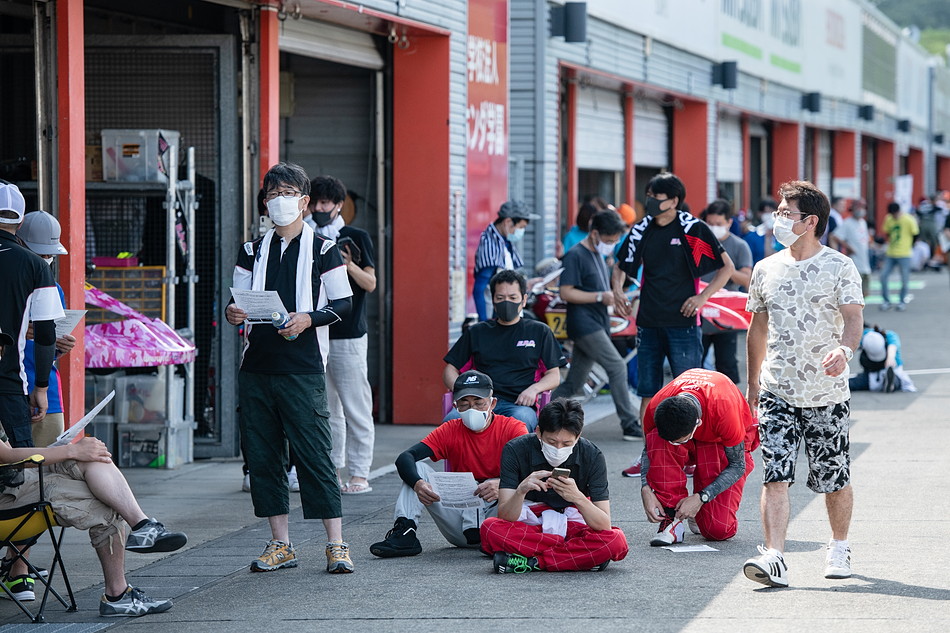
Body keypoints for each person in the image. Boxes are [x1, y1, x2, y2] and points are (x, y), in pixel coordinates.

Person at [0, 326, 187, 615]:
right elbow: (5, 456)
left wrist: (73, 451)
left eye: (0, 347)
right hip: (7, 498)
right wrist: (70, 451)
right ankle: (117, 594)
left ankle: (142, 526)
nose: (0, 353)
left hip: (14, 482)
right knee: (105, 501)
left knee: (92, 456)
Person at [226, 162, 356, 574]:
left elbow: (343, 303)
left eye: (287, 194)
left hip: (303, 367)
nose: (279, 201)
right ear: (264, 202)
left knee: (315, 454)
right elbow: (236, 302)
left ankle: (336, 543)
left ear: (304, 201)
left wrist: (307, 319)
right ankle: (280, 543)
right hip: (257, 367)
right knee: (263, 457)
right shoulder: (251, 250)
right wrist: (232, 312)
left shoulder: (323, 249)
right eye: (273, 194)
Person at [743, 180, 864, 588]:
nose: (777, 219)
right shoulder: (765, 268)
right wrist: (753, 383)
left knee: (834, 478)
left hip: (826, 393)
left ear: (810, 221)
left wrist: (845, 351)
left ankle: (839, 545)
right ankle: (774, 556)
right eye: (778, 212)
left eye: (785, 213)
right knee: (774, 474)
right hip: (777, 389)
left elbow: (853, 319)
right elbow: (757, 329)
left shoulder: (839, 266)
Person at [612, 173, 735, 423]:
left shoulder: (692, 228)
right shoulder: (642, 228)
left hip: (683, 324)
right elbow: (620, 265)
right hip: (648, 322)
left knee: (688, 392)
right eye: (648, 196)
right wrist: (617, 291)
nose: (650, 201)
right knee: (648, 393)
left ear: (673, 200)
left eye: (656, 196)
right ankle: (648, 446)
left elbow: (727, 268)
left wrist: (702, 298)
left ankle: (688, 443)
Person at [369, 371, 528, 557]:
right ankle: (405, 531)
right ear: (455, 406)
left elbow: (533, 470)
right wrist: (418, 484)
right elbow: (405, 458)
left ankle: (512, 540)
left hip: (498, 518)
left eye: (479, 403)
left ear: (492, 403)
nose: (472, 409)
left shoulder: (513, 428)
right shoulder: (450, 429)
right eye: (464, 404)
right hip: (458, 520)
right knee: (418, 468)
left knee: (525, 487)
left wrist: (503, 484)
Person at [480, 398, 629, 573]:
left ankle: (533, 562)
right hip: (531, 522)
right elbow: (505, 516)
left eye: (566, 444)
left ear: (578, 437)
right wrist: (521, 491)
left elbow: (604, 524)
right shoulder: (515, 449)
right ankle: (578, 556)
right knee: (490, 529)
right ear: (538, 432)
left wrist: (577, 497)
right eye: (551, 442)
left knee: (616, 540)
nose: (558, 449)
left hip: (572, 521)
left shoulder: (592, 455)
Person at [307, 175, 378, 495]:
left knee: (356, 406)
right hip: (314, 331)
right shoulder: (304, 236)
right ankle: (333, 471)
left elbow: (371, 283)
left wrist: (346, 265)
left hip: (348, 334)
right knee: (327, 409)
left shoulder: (356, 237)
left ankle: (360, 473)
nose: (319, 209)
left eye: (325, 203)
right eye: (314, 203)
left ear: (338, 205)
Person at [638, 368, 756, 546]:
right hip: (702, 426)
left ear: (698, 423)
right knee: (657, 439)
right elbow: (648, 450)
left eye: (681, 441)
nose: (676, 445)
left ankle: (698, 511)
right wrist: (645, 488)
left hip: (719, 440)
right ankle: (671, 520)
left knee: (718, 529)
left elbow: (738, 465)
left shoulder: (724, 410)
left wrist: (702, 497)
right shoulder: (656, 406)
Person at [552, 210, 643, 440]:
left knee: (574, 383)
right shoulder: (575, 255)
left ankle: (544, 412)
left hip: (597, 323)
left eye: (614, 241)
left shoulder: (597, 255)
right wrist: (600, 297)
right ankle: (630, 424)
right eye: (609, 240)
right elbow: (566, 292)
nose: (610, 245)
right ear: (594, 234)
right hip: (585, 325)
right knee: (617, 366)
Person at [443, 270, 565, 432]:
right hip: (479, 403)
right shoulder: (477, 332)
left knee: (520, 423)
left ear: (523, 300)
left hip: (519, 405)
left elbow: (554, 375)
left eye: (513, 297)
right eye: (500, 298)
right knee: (451, 422)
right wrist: (463, 392)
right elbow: (450, 369)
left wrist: (534, 389)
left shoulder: (539, 332)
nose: (506, 302)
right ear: (493, 300)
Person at [0, 184, 64, 449]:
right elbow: (46, 335)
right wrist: (40, 388)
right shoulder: (36, 266)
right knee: (20, 463)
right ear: (20, 222)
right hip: (9, 385)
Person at [17, 211, 78, 447]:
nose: (45, 260)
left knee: (46, 463)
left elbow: (47, 349)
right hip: (11, 391)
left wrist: (59, 346)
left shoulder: (54, 290)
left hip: (46, 393)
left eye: (49, 255)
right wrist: (19, 330)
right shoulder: (8, 282)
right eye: (39, 254)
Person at [699, 200, 753, 384]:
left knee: (727, 363)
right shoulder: (698, 244)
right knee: (695, 364)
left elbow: (746, 279)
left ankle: (729, 398)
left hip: (726, 314)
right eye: (710, 223)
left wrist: (726, 268)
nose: (714, 228)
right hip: (699, 310)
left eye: (718, 224)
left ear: (729, 222)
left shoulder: (739, 246)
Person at [473, 200, 539, 321]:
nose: (521, 232)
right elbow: (479, 290)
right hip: (496, 317)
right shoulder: (490, 245)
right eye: (521, 227)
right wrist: (484, 323)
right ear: (508, 222)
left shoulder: (505, 242)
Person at [848, 325, 915, 393]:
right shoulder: (865, 337)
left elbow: (893, 346)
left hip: (889, 368)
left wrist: (890, 358)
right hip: (872, 369)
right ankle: (890, 384)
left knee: (897, 379)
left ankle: (891, 383)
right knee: (856, 382)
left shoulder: (890, 336)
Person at [879, 201, 919, 311]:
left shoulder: (909, 219)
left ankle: (902, 301)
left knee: (904, 279)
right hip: (891, 253)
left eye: (895, 214)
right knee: (883, 276)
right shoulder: (889, 219)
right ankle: (886, 300)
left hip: (904, 253)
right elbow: (887, 233)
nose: (893, 216)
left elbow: (915, 234)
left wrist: (910, 245)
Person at [833, 200, 872, 297]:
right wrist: (848, 247)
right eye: (858, 207)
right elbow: (835, 236)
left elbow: (866, 240)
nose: (860, 210)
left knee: (865, 292)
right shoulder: (847, 223)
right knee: (854, 292)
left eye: (862, 207)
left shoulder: (863, 222)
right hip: (854, 263)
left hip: (865, 262)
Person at [743, 199, 777, 265]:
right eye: (766, 212)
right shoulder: (751, 237)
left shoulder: (782, 235)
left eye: (772, 212)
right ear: (759, 214)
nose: (769, 215)